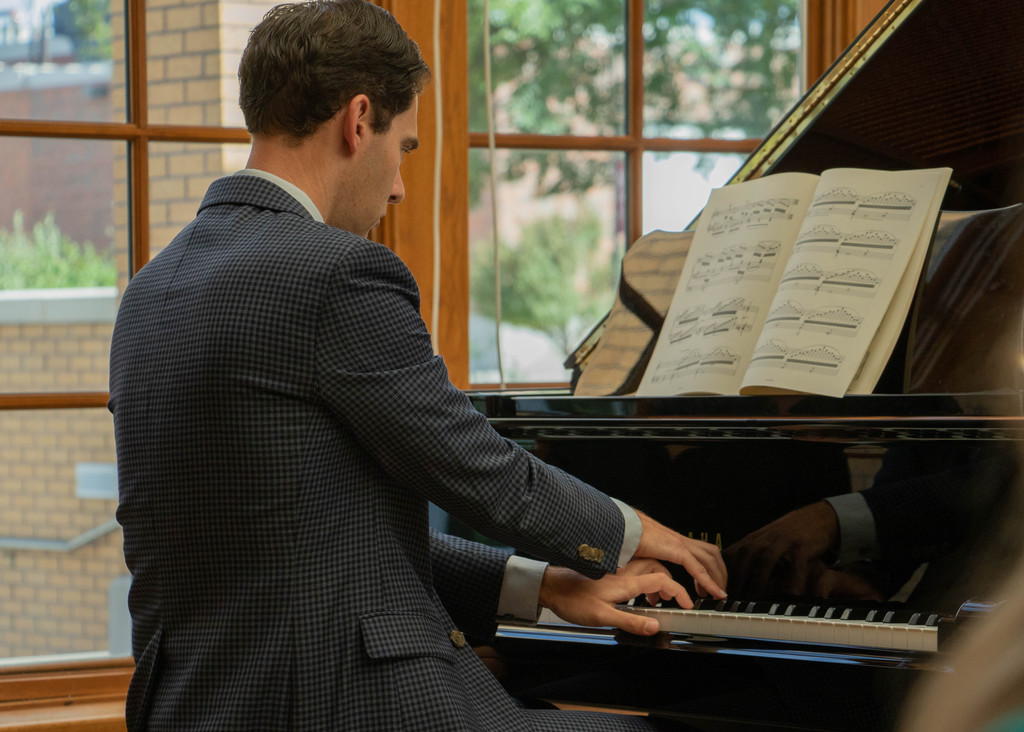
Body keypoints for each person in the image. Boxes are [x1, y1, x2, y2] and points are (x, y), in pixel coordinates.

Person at [107, 1, 726, 730]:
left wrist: (543, 586)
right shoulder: (338, 274)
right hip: (345, 705)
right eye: (405, 147)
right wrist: (633, 534)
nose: (400, 185)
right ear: (358, 119)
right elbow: (480, 471)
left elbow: (322, 535)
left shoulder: (149, 292)